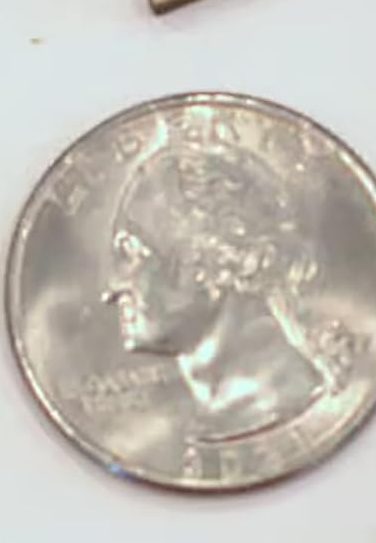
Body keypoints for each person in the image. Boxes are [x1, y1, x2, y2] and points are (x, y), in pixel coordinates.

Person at [103, 137, 350, 442]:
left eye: (133, 254)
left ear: (215, 258)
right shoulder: (168, 428)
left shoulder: (279, 398)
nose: (111, 290)